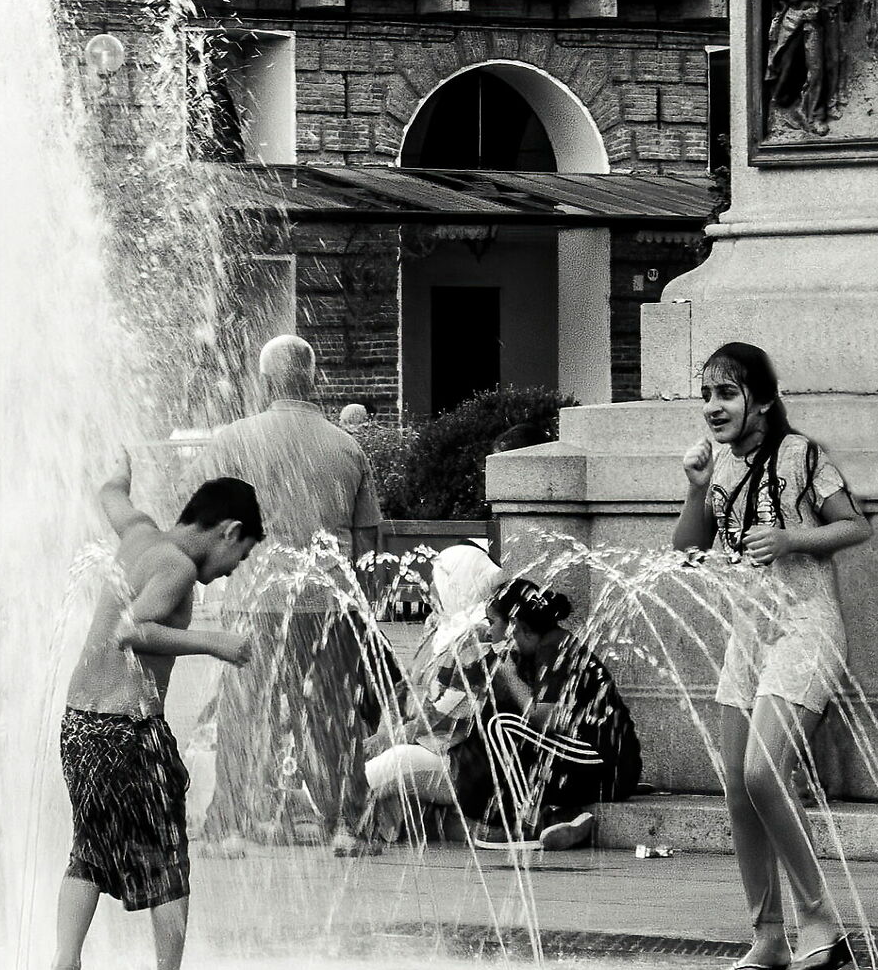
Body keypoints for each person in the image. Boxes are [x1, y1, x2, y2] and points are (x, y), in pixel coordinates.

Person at [673, 342, 873, 970]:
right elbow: (686, 552)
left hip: (807, 628)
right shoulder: (720, 470)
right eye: (706, 395)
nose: (713, 407)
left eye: (726, 394)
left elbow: (855, 526)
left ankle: (821, 924)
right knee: (736, 784)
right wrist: (696, 489)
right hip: (748, 637)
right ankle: (766, 937)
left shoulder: (800, 455)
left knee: (765, 771)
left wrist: (790, 538)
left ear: (759, 398)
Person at [48, 456, 259, 970]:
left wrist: (119, 472)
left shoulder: (140, 535)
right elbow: (131, 631)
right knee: (166, 849)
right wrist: (214, 642)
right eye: (242, 555)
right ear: (228, 531)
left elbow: (110, 494)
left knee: (91, 849)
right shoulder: (178, 568)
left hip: (79, 724)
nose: (236, 568)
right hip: (126, 730)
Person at [194, 336, 383, 859]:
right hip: (327, 602)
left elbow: (204, 528)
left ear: (265, 381)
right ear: (314, 380)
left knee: (241, 715)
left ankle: (229, 828)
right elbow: (367, 545)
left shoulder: (232, 441)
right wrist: (360, 610)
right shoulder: (347, 446)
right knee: (332, 715)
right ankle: (346, 825)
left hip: (255, 597)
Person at [463, 578, 641, 850]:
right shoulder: (535, 650)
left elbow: (546, 718)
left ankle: (528, 822)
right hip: (582, 760)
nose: (489, 632)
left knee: (500, 724)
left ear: (513, 625)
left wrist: (510, 677)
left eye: (492, 622)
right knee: (492, 717)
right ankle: (561, 819)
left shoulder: (554, 647)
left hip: (604, 763)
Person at [361, 544, 506, 840]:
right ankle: (312, 809)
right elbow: (407, 689)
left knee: (393, 761)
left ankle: (311, 807)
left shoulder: (478, 639)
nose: (431, 587)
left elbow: (450, 715)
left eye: (438, 578)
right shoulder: (441, 629)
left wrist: (396, 735)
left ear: (459, 584)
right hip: (423, 745)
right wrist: (386, 728)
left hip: (453, 760)